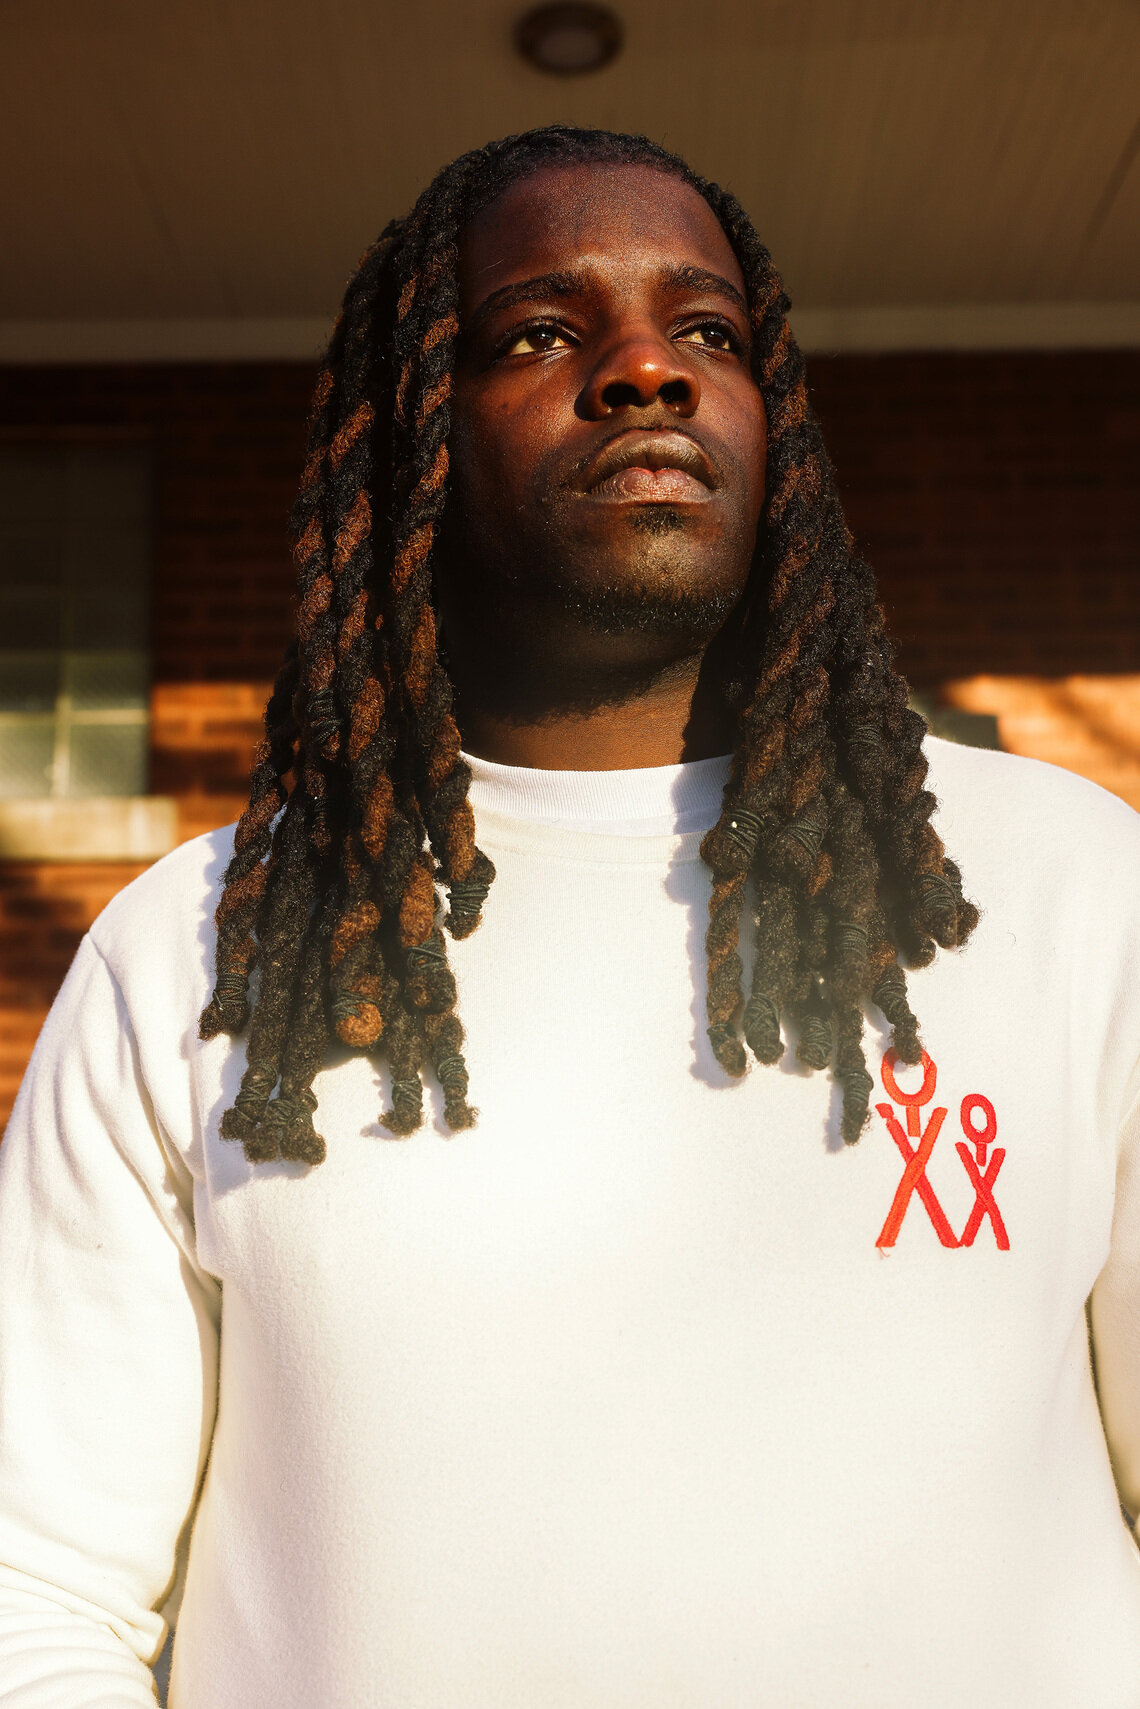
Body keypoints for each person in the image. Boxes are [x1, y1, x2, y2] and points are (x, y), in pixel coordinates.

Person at [0, 125, 1137, 1709]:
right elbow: (35, 1591)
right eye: (542, 330)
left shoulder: (1075, 888)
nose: (646, 373)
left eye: (708, 333)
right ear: (413, 437)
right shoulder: (194, 949)